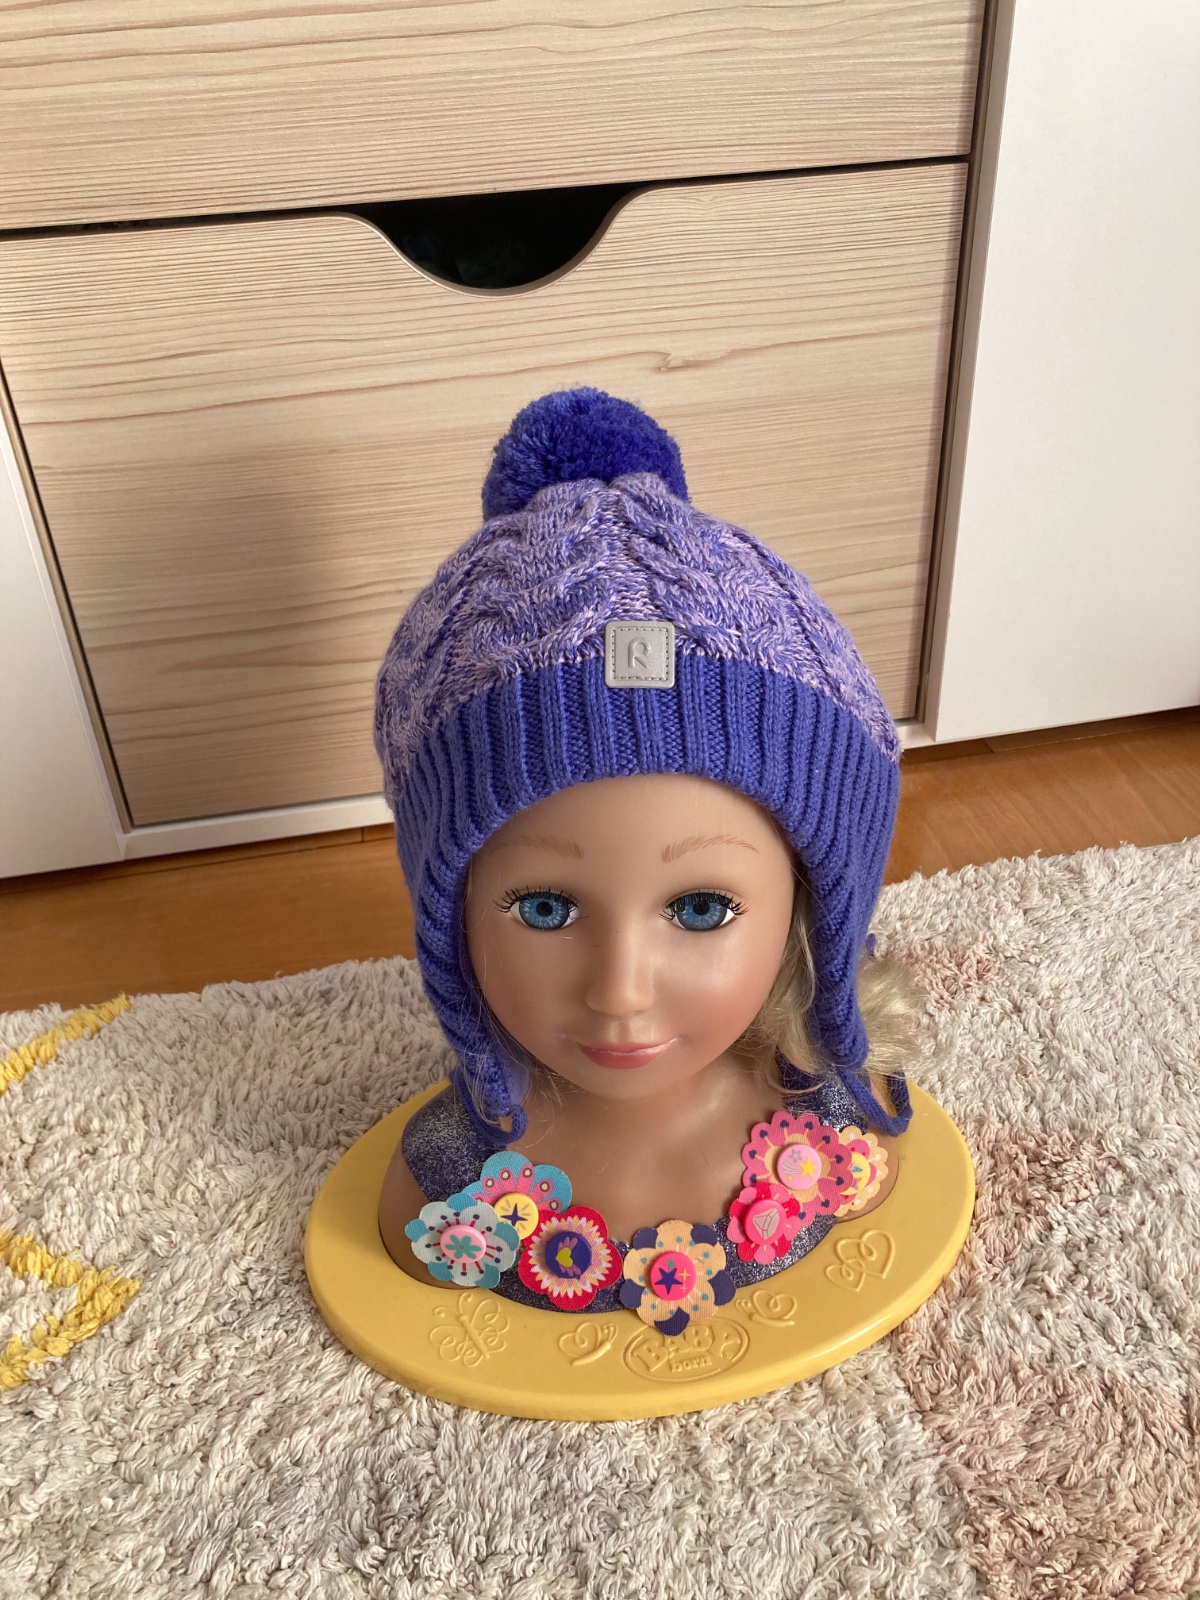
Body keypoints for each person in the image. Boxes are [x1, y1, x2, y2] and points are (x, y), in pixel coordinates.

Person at [373, 388, 923, 1338]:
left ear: (813, 905)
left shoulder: (837, 1134)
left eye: (701, 908)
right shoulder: (451, 1193)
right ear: (446, 910)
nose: (620, 991)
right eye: (545, 909)